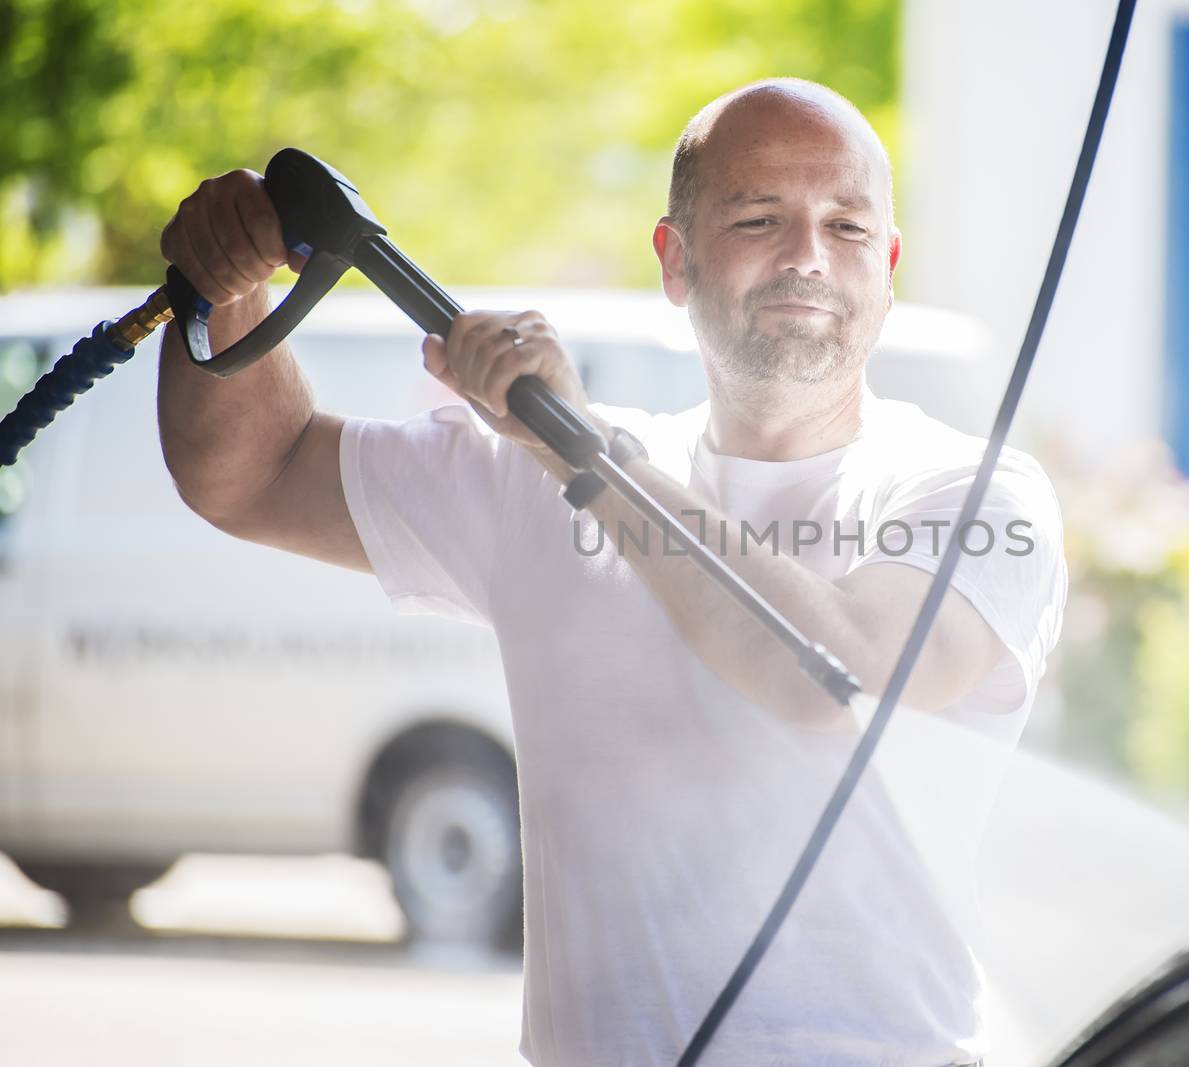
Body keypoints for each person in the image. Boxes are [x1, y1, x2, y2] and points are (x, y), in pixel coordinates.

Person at [157, 77, 1066, 1067]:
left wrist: (586, 457)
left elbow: (833, 676)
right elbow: (250, 474)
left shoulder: (972, 494)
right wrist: (225, 279)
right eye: (759, 217)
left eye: (847, 228)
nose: (808, 257)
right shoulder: (540, 460)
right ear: (674, 262)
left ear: (887, 268)